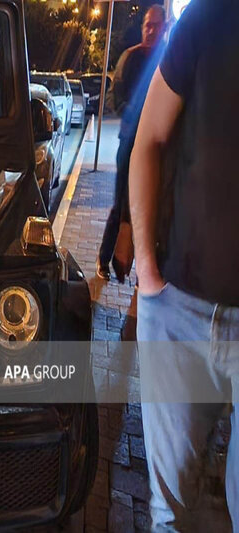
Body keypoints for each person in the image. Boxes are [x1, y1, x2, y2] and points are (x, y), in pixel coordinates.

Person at [130, 0, 239, 529]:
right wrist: (145, 270)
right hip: (181, 309)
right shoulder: (211, 17)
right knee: (170, 508)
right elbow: (145, 138)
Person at [96, 5, 166, 281]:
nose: (151, 30)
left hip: (157, 146)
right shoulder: (131, 57)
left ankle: (142, 271)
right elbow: (114, 97)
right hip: (130, 143)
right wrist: (135, 119)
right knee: (121, 203)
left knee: (151, 206)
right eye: (147, 25)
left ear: (164, 28)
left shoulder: (168, 61)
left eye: (156, 26)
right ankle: (105, 260)